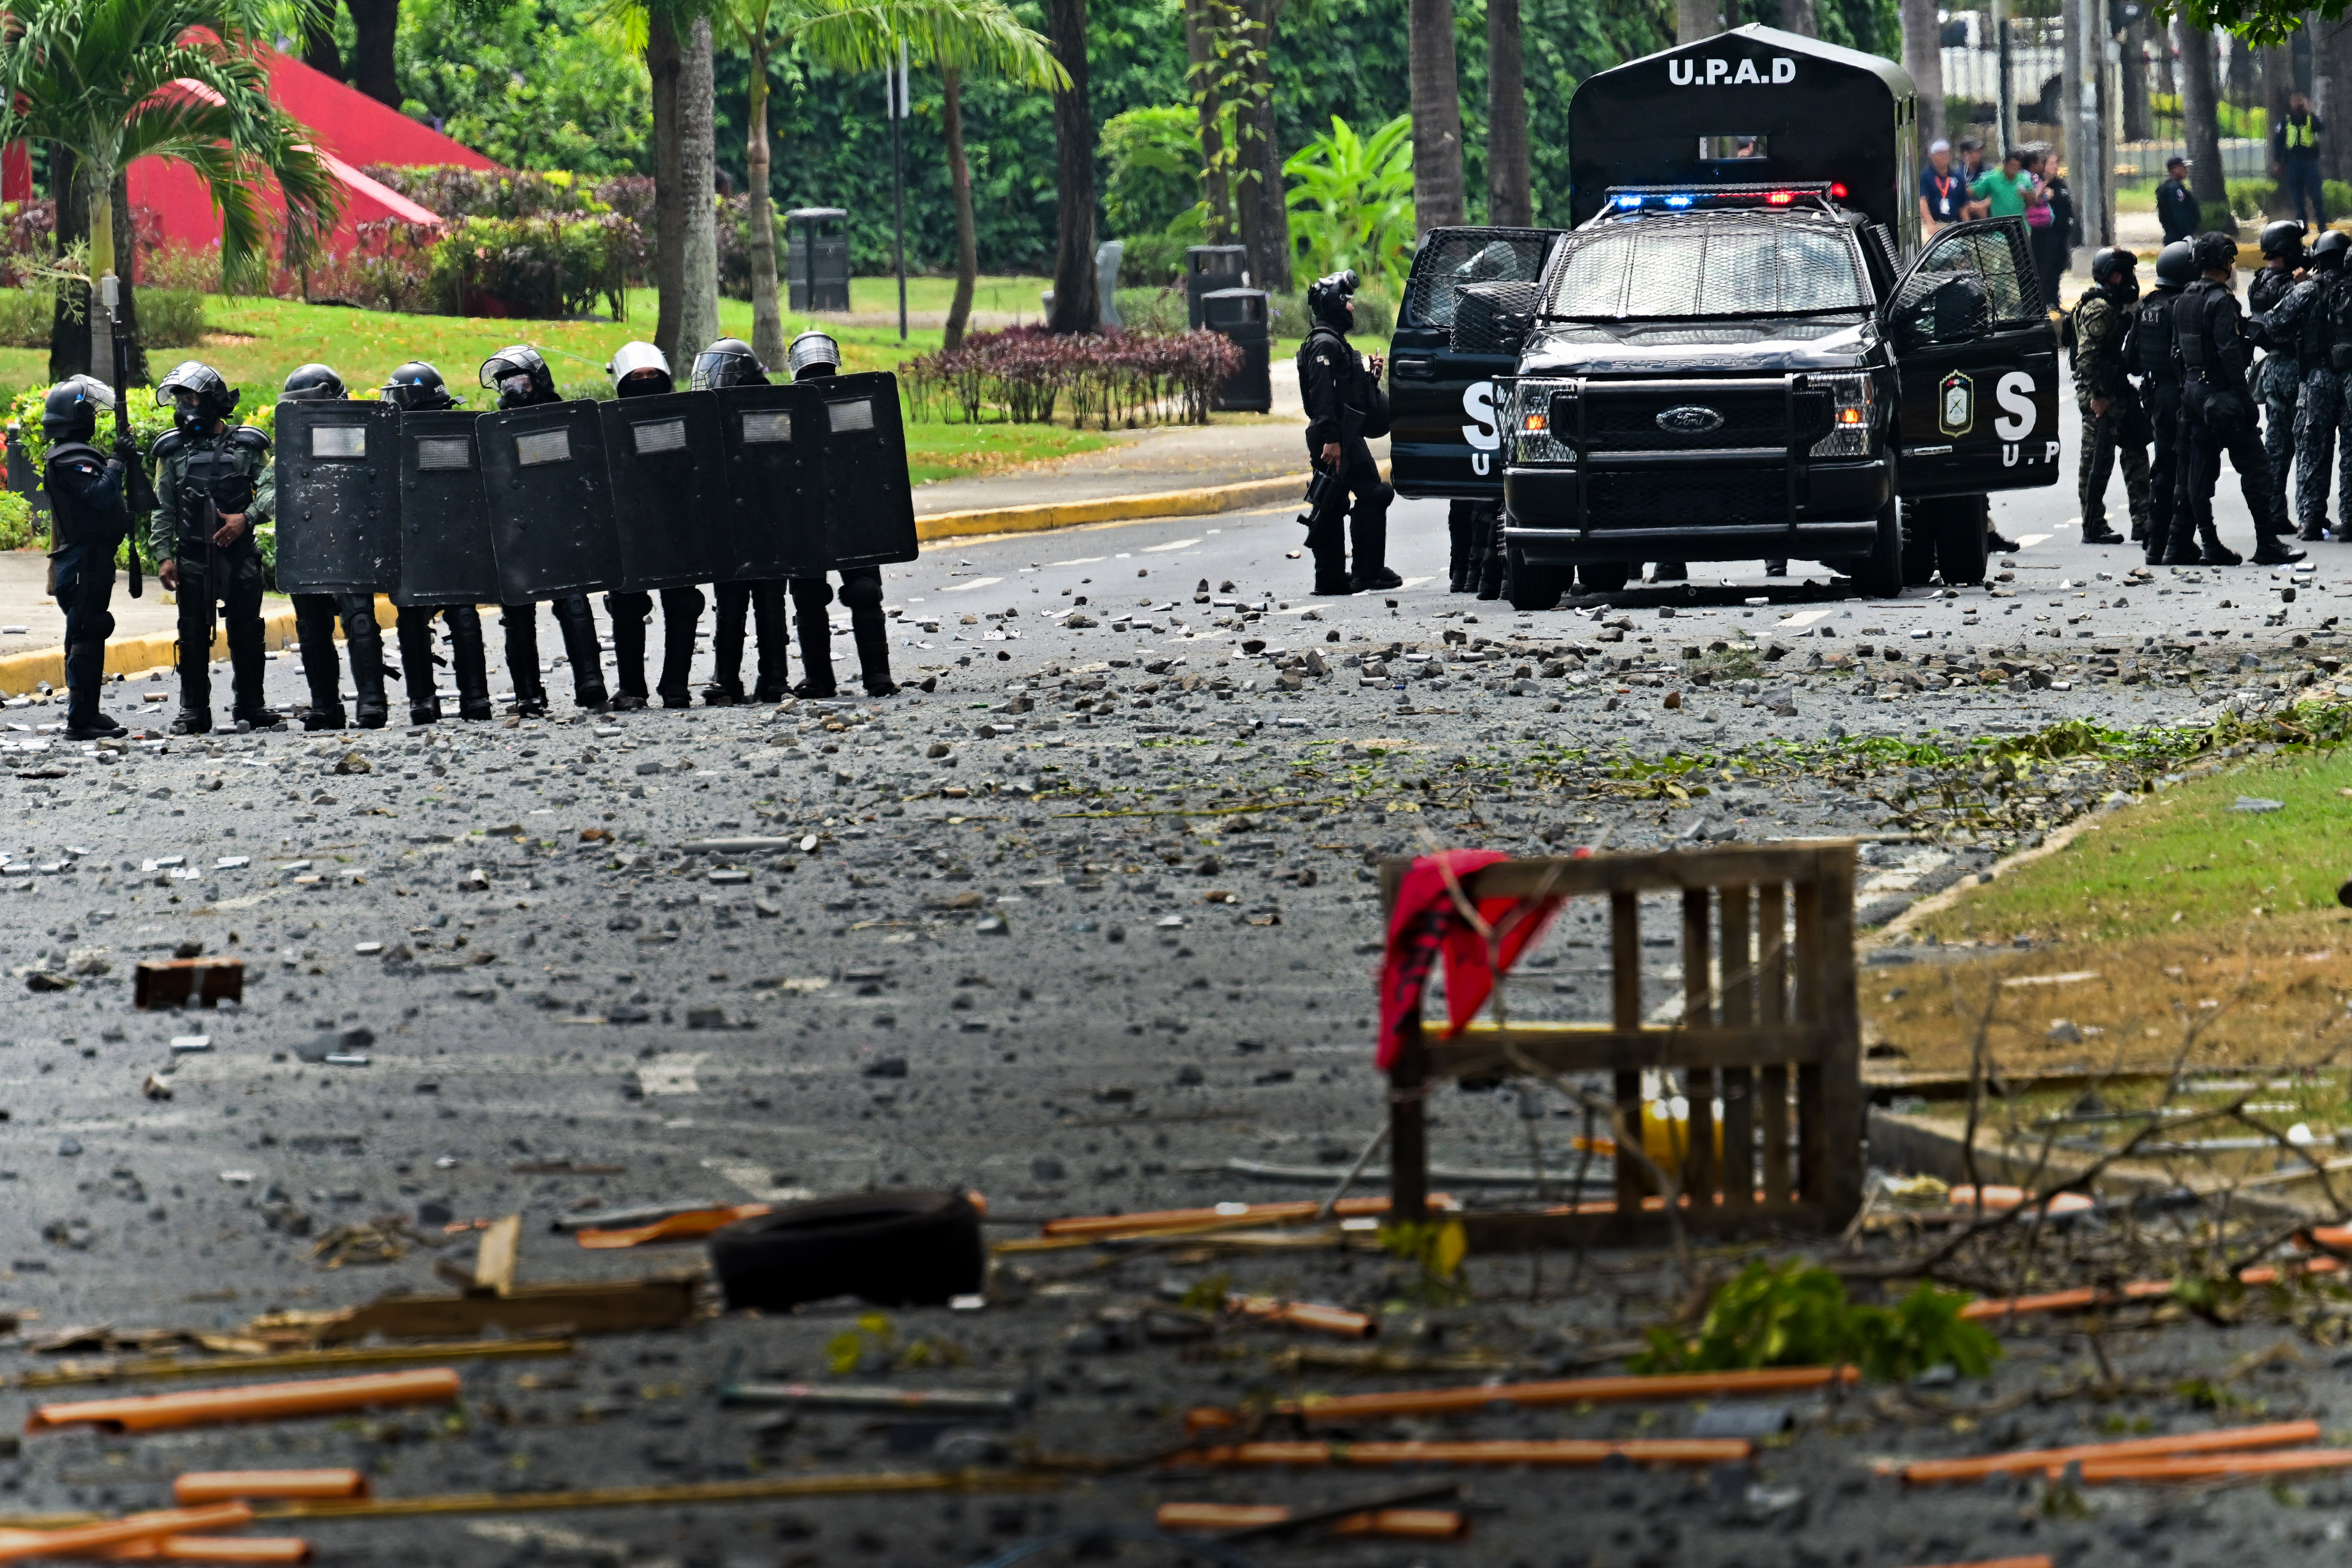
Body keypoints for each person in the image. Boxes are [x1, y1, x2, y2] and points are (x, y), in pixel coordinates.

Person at [149, 360, 281, 734]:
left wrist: (248, 518)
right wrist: (163, 556)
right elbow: (164, 506)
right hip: (192, 557)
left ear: (211, 401)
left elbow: (274, 489)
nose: (184, 408)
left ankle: (251, 705)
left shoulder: (248, 444)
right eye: (179, 400)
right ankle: (193, 709)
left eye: (190, 398)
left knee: (248, 632)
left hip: (239, 558)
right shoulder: (172, 450)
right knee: (191, 634)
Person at [479, 345, 609, 715]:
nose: (512, 390)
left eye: (519, 381)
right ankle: (528, 693)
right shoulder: (493, 429)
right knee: (517, 611)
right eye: (505, 384)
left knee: (573, 602)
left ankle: (590, 682)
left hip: (561, 525)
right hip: (516, 531)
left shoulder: (564, 418)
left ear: (539, 381)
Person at [2172, 230, 2306, 568]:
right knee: (2257, 467)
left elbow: (2177, 352)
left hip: (2191, 393)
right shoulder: (2220, 301)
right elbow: (2229, 354)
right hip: (2221, 396)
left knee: (2199, 473)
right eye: (2230, 261)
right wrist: (2244, 401)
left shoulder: (2185, 297)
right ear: (2222, 262)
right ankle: (2266, 541)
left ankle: (2208, 542)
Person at [275, 363, 390, 731]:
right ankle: (325, 705)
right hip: (307, 544)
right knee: (311, 626)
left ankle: (372, 701)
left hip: (351, 541)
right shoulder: (291, 441)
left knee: (359, 621)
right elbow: (269, 486)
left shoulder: (361, 433)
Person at [785, 331, 898, 698]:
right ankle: (820, 677)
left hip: (854, 509)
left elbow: (879, 454)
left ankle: (876, 675)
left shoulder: (855, 402)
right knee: (808, 594)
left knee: (863, 591)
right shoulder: (783, 410)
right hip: (807, 512)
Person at [381, 361, 493, 725]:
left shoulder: (455, 434)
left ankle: (474, 697)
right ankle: (425, 699)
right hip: (416, 541)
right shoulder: (392, 438)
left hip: (452, 538)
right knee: (416, 619)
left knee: (460, 616)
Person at [599, 342, 706, 710]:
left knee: (683, 602)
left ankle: (676, 686)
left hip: (678, 522)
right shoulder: (605, 420)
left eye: (651, 376)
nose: (645, 382)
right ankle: (632, 688)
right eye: (637, 377)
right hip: (629, 526)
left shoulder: (688, 417)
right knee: (626, 605)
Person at [688, 337, 791, 703]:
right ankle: (726, 679)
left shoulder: (771, 410)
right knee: (729, 604)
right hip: (729, 523)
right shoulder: (708, 414)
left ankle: (775, 678)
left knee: (769, 602)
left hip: (767, 520)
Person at [41, 375, 137, 740]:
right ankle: (79, 720)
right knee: (84, 634)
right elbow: (99, 494)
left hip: (92, 560)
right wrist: (116, 461)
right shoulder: (68, 459)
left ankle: (89, 713)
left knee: (92, 630)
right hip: (82, 562)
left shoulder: (73, 455)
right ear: (77, 416)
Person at [1295, 268, 1399, 595]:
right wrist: (1332, 440)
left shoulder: (1334, 342)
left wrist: (1370, 378)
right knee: (1365, 494)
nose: (1352, 308)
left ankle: (1336, 578)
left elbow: (1346, 395)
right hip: (1336, 436)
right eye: (1347, 302)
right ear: (1334, 305)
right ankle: (1361, 573)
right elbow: (1323, 398)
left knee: (1335, 500)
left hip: (1343, 433)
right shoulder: (1324, 345)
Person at [2255, 228, 2352, 541]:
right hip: (2350, 378)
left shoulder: (2308, 289)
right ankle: (2350, 520)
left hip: (2317, 379)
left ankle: (2310, 521)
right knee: (2351, 451)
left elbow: (2272, 324)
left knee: (2313, 449)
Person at [2071, 248, 2149, 546]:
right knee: (2096, 461)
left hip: (2118, 389)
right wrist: (2097, 396)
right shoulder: (2100, 308)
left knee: (2136, 449)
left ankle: (2144, 519)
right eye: (2127, 274)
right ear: (2116, 276)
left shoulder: (2112, 304)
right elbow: (2086, 359)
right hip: (2101, 395)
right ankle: (2092, 524)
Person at [2137, 240, 2197, 566]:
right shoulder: (2184, 306)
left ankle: (2154, 541)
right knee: (2186, 467)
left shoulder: (2148, 307)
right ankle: (2177, 540)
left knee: (2162, 467)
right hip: (2181, 394)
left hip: (2156, 396)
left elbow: (2131, 360)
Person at [2249, 219, 2308, 530]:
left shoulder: (2258, 282)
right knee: (2306, 443)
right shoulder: (2291, 286)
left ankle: (2274, 513)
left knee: (2277, 445)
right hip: (2294, 368)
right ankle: (2308, 514)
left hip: (2271, 370)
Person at [2273, 90, 2326, 229]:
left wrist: (2310, 112)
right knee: (2297, 197)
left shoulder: (2310, 119)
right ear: (2291, 103)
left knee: (2316, 195)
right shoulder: (2285, 121)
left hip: (2310, 162)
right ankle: (2302, 226)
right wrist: (2277, 161)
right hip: (2293, 163)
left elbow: (2321, 129)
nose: (2298, 103)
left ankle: (2322, 224)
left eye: (2300, 100)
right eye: (2295, 100)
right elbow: (2278, 142)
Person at [1967, 148, 2033, 222]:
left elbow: (2032, 203)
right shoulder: (1992, 178)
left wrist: (2028, 195)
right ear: (2004, 164)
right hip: (2000, 226)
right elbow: (1973, 191)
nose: (2014, 171)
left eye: (2017, 167)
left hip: (2020, 225)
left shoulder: (2025, 179)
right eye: (2012, 166)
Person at [1920, 139, 1964, 235]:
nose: (1945, 156)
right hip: (1935, 223)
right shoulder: (1926, 176)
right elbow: (1923, 201)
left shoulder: (1958, 177)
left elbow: (1963, 204)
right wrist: (1930, 223)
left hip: (1954, 224)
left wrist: (1967, 226)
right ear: (1933, 156)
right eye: (1941, 154)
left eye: (1946, 153)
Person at [2156, 156, 2199, 244]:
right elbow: (2179, 214)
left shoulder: (2175, 187)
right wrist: (2187, 234)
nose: (2186, 170)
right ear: (2175, 169)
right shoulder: (2174, 189)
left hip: (2178, 236)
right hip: (2178, 238)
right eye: (2183, 167)